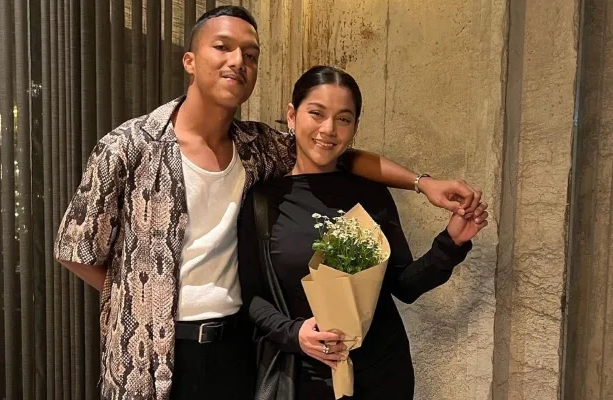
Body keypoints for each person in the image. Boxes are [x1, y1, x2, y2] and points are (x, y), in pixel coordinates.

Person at [54, 6, 484, 400]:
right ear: (190, 60)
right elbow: (75, 250)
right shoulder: (129, 147)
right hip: (154, 352)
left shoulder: (256, 148)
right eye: (222, 47)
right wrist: (144, 300)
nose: (237, 61)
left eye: (250, 54)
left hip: (239, 345)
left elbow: (337, 153)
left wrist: (423, 184)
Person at [237, 65, 489, 400]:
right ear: (292, 116)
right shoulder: (263, 201)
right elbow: (251, 297)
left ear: (355, 127)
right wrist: (294, 334)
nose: (329, 129)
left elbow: (404, 286)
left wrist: (452, 242)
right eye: (317, 113)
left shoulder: (371, 193)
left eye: (343, 119)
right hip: (301, 378)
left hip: (380, 375)